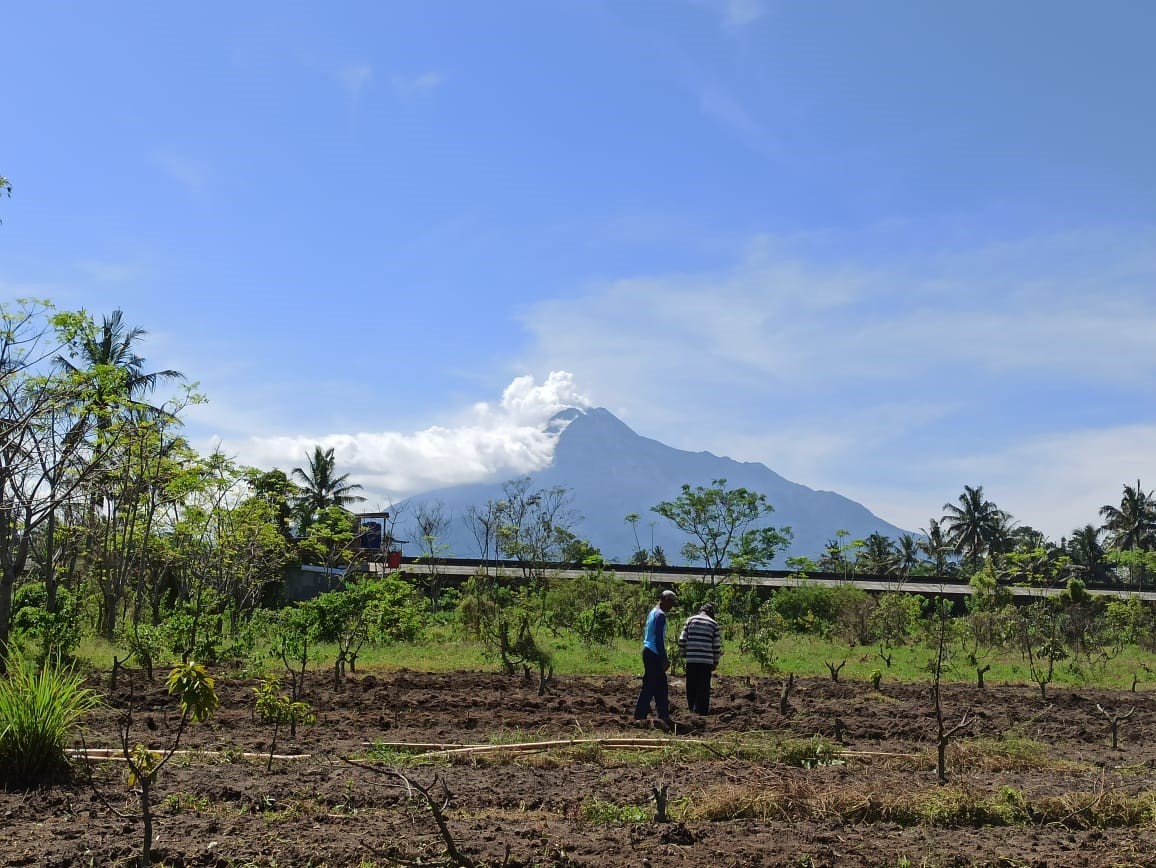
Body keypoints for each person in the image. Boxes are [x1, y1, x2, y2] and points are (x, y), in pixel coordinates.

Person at [634, 589, 677, 728]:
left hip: (649, 651)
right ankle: (640, 715)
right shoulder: (660, 615)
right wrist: (664, 658)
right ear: (664, 600)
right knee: (651, 685)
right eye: (670, 603)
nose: (671, 606)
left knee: (660, 685)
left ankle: (663, 714)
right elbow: (659, 639)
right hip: (653, 652)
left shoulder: (653, 612)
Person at [677, 602, 723, 715]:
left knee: (691, 684)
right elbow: (716, 647)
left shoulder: (690, 620)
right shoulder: (713, 624)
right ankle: (701, 711)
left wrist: (684, 654)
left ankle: (691, 708)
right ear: (711, 613)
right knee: (703, 686)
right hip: (706, 661)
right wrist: (715, 661)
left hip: (691, 659)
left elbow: (682, 640)